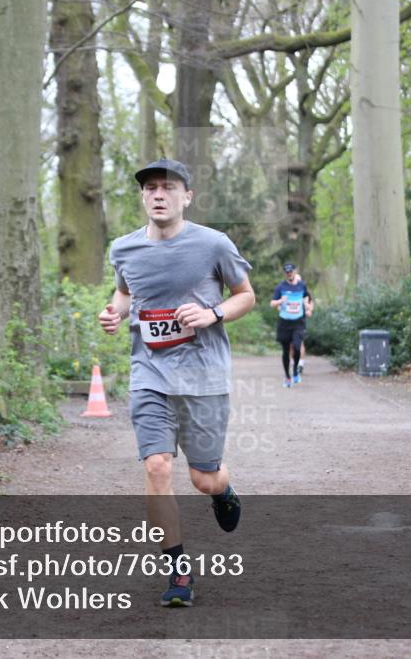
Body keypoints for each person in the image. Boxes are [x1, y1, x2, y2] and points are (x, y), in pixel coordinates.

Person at [99, 158, 256, 608]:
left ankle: (223, 490)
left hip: (203, 377)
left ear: (187, 196)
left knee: (202, 478)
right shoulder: (124, 249)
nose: (158, 194)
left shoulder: (213, 245)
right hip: (150, 373)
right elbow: (127, 293)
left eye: (168, 187)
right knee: (157, 467)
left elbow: (246, 296)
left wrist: (213, 314)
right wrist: (115, 313)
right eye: (150, 188)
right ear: (143, 197)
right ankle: (177, 570)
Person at [270, 263, 312, 387]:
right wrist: (280, 301)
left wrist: (307, 305)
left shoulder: (302, 285)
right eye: (287, 272)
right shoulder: (280, 287)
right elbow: (272, 303)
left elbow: (307, 297)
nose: (289, 273)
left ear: (294, 271)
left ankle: (295, 372)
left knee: (298, 347)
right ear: (285, 273)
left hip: (298, 321)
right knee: (286, 350)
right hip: (284, 322)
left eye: (291, 271)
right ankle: (287, 377)